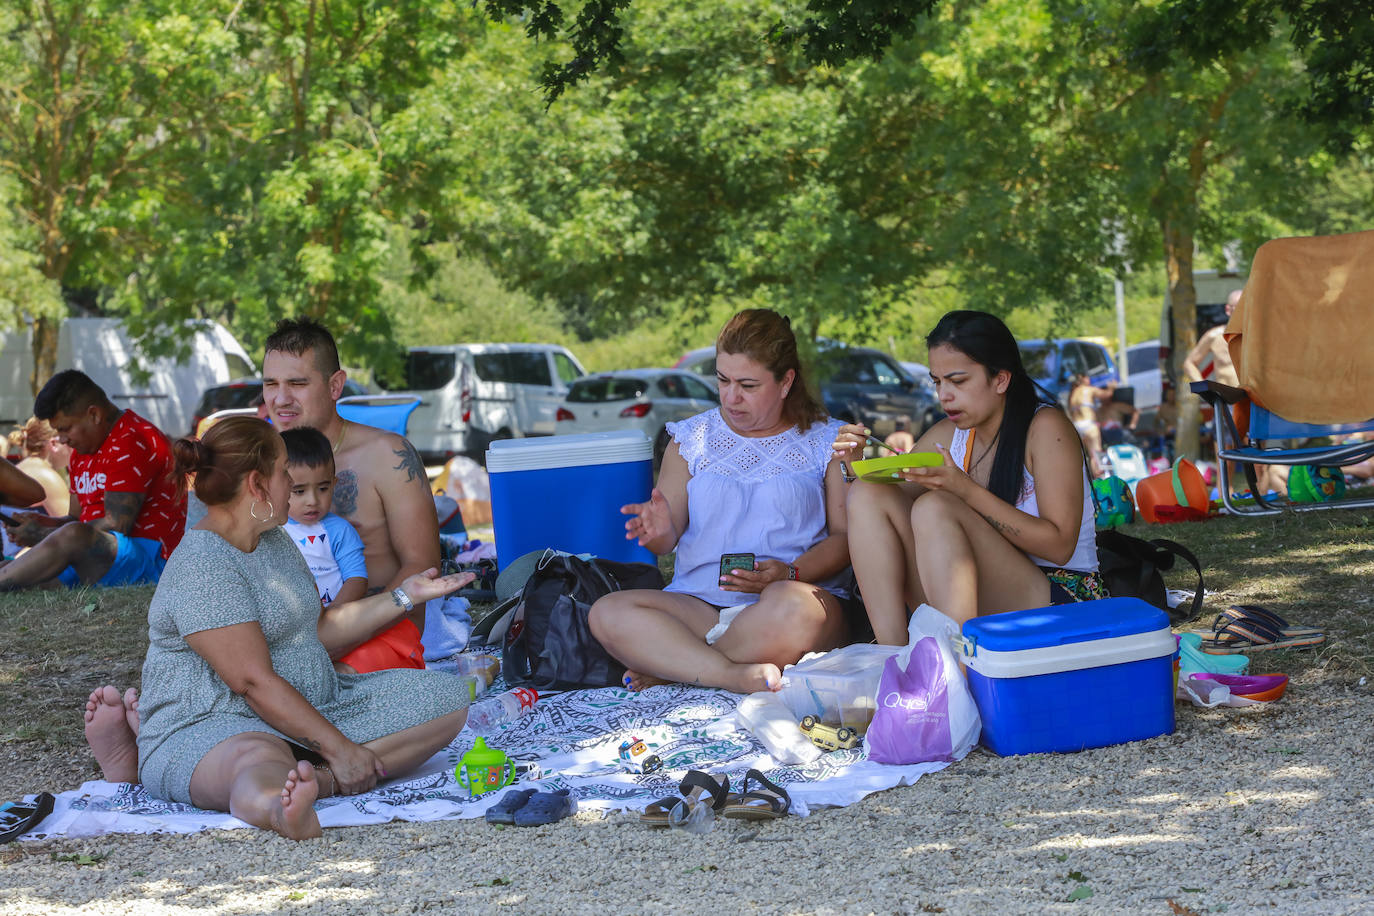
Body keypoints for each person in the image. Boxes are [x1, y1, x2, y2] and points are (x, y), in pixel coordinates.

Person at [81, 417, 475, 841]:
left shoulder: (272, 539)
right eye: (285, 472)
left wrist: (405, 596)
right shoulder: (202, 564)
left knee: (446, 699)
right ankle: (282, 803)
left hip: (313, 705)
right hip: (215, 724)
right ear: (257, 484)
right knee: (258, 756)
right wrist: (339, 749)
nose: (292, 482)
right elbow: (252, 683)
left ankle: (314, 771)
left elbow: (320, 630)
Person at [588, 308, 852, 694]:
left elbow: (846, 541)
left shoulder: (828, 440)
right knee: (608, 613)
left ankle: (674, 667)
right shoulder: (691, 438)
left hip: (789, 600)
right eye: (723, 380)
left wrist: (789, 573)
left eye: (747, 385)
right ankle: (726, 673)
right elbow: (667, 541)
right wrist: (659, 531)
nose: (731, 397)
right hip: (699, 606)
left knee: (793, 609)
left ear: (785, 382)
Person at [837, 310, 1103, 644]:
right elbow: (885, 507)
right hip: (978, 592)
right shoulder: (950, 434)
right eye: (937, 381)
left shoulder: (1046, 428)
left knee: (935, 507)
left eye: (958, 381)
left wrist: (964, 490)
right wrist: (855, 466)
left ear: (1000, 379)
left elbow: (1059, 546)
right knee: (868, 493)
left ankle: (958, 669)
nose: (943, 395)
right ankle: (894, 654)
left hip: (1062, 599)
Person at [262, 319, 440, 673]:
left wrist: (345, 629)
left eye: (297, 383)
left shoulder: (387, 455)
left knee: (322, 693)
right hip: (285, 638)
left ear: (335, 386)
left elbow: (422, 565)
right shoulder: (259, 461)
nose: (280, 399)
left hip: (380, 633)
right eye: (270, 384)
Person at [0, 371, 186, 590]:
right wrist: (47, 523)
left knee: (70, 537)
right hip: (101, 559)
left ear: (94, 415)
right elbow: (76, 518)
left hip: (154, 562)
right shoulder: (81, 451)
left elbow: (116, 525)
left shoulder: (132, 439)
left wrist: (43, 535)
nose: (61, 438)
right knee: (14, 571)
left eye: (65, 428)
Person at [280, 427, 369, 615]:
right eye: (299, 491)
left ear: (334, 485)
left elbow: (357, 579)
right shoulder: (271, 528)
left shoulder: (339, 530)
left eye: (323, 488)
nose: (313, 500)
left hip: (334, 623)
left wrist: (330, 618)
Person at [8, 417, 74, 517]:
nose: (74, 446)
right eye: (68, 440)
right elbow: (70, 527)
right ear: (54, 444)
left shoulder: (21, 467)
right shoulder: (47, 478)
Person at [1068, 372, 1115, 477]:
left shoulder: (1073, 393)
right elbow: (1106, 395)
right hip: (1089, 425)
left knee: (1086, 455)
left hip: (1076, 426)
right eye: (1088, 378)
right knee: (1096, 454)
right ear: (1084, 379)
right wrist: (1112, 388)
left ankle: (1093, 481)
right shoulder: (1088, 389)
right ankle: (1101, 480)